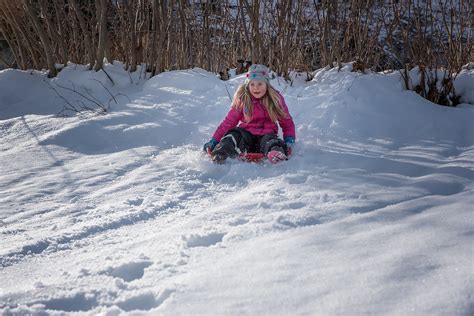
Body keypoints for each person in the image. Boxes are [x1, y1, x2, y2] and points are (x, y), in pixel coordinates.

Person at [203, 64, 296, 164]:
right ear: (248, 85)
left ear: (267, 84)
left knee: (272, 141)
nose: (256, 88)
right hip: (245, 135)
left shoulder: (275, 99)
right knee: (233, 135)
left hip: (266, 136)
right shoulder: (243, 99)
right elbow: (229, 122)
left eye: (260, 84)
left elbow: (286, 121)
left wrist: (289, 140)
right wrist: (214, 140)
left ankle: (276, 153)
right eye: (252, 84)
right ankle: (220, 153)